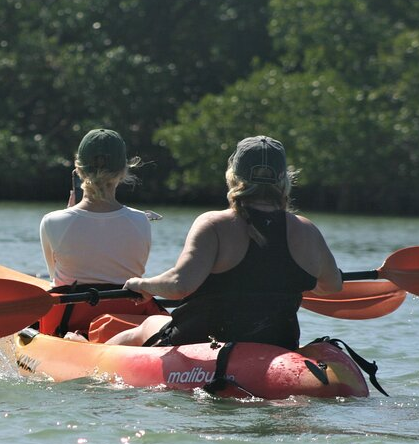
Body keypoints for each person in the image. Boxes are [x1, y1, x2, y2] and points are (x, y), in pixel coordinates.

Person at [106, 135, 342, 350]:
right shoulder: (308, 230)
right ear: (283, 180)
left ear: (234, 176)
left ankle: (90, 353)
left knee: (149, 324)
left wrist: (141, 284)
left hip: (202, 343)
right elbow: (332, 285)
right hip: (278, 345)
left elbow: (179, 285)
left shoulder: (214, 224)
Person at [39, 128, 168, 339]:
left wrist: (67, 215)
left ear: (78, 170)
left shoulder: (52, 221)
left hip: (69, 322)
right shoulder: (142, 220)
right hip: (126, 320)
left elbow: (57, 279)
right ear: (123, 171)